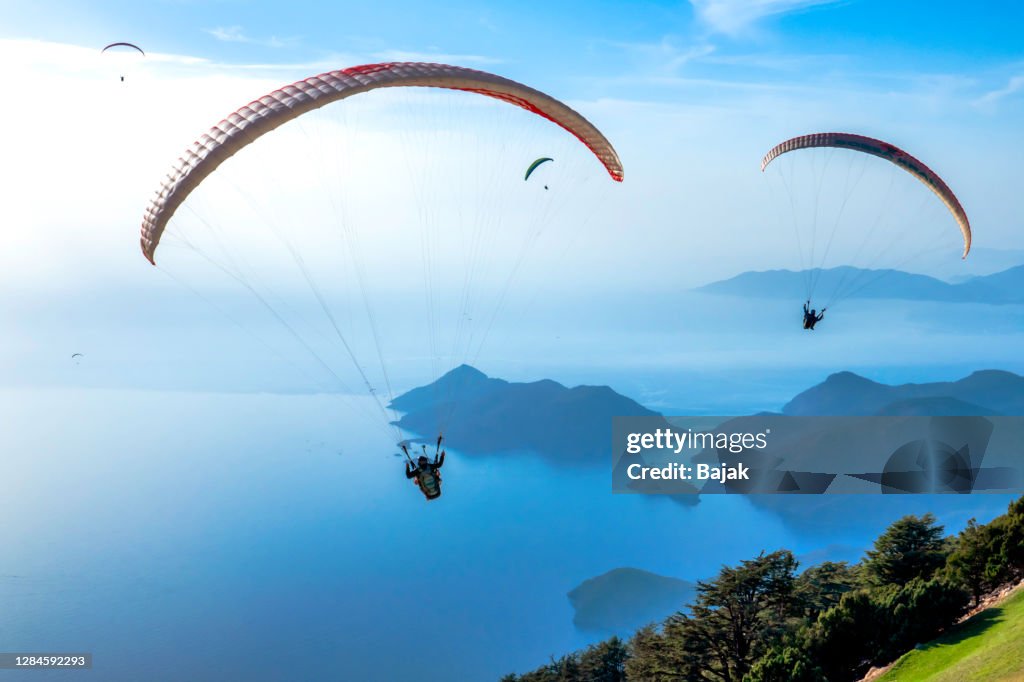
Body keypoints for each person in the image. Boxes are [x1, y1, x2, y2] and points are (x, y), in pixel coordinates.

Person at [403, 436, 446, 501]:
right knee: (434, 468)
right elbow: (439, 464)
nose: (422, 462)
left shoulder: (418, 470)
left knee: (417, 472)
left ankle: (428, 495)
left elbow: (408, 476)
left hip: (434, 494)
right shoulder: (429, 466)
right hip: (435, 494)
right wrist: (442, 456)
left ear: (419, 463)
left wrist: (407, 467)